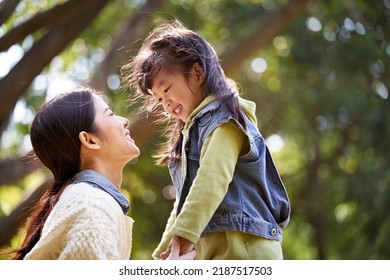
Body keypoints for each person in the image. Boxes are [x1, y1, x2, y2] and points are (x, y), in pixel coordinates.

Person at [121, 20, 291, 260]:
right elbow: (184, 200)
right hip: (214, 249)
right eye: (158, 99)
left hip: (245, 246)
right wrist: (166, 249)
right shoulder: (189, 135)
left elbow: (213, 178)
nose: (166, 104)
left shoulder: (226, 119)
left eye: (167, 89)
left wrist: (185, 233)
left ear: (197, 73)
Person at [6, 87, 195, 260]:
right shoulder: (90, 208)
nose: (125, 121)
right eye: (111, 114)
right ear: (89, 140)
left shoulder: (86, 201)